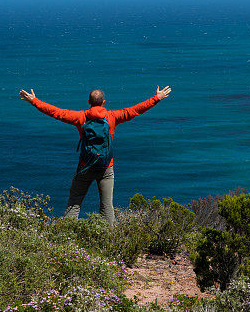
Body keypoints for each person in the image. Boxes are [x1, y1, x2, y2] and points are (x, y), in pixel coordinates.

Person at [18, 85, 171, 225]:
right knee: (106, 206)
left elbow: (56, 113)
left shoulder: (81, 117)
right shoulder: (112, 117)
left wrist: (34, 101)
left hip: (85, 166)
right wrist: (156, 98)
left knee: (74, 202)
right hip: (106, 167)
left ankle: (65, 237)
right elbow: (135, 110)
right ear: (104, 102)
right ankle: (111, 240)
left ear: (89, 102)